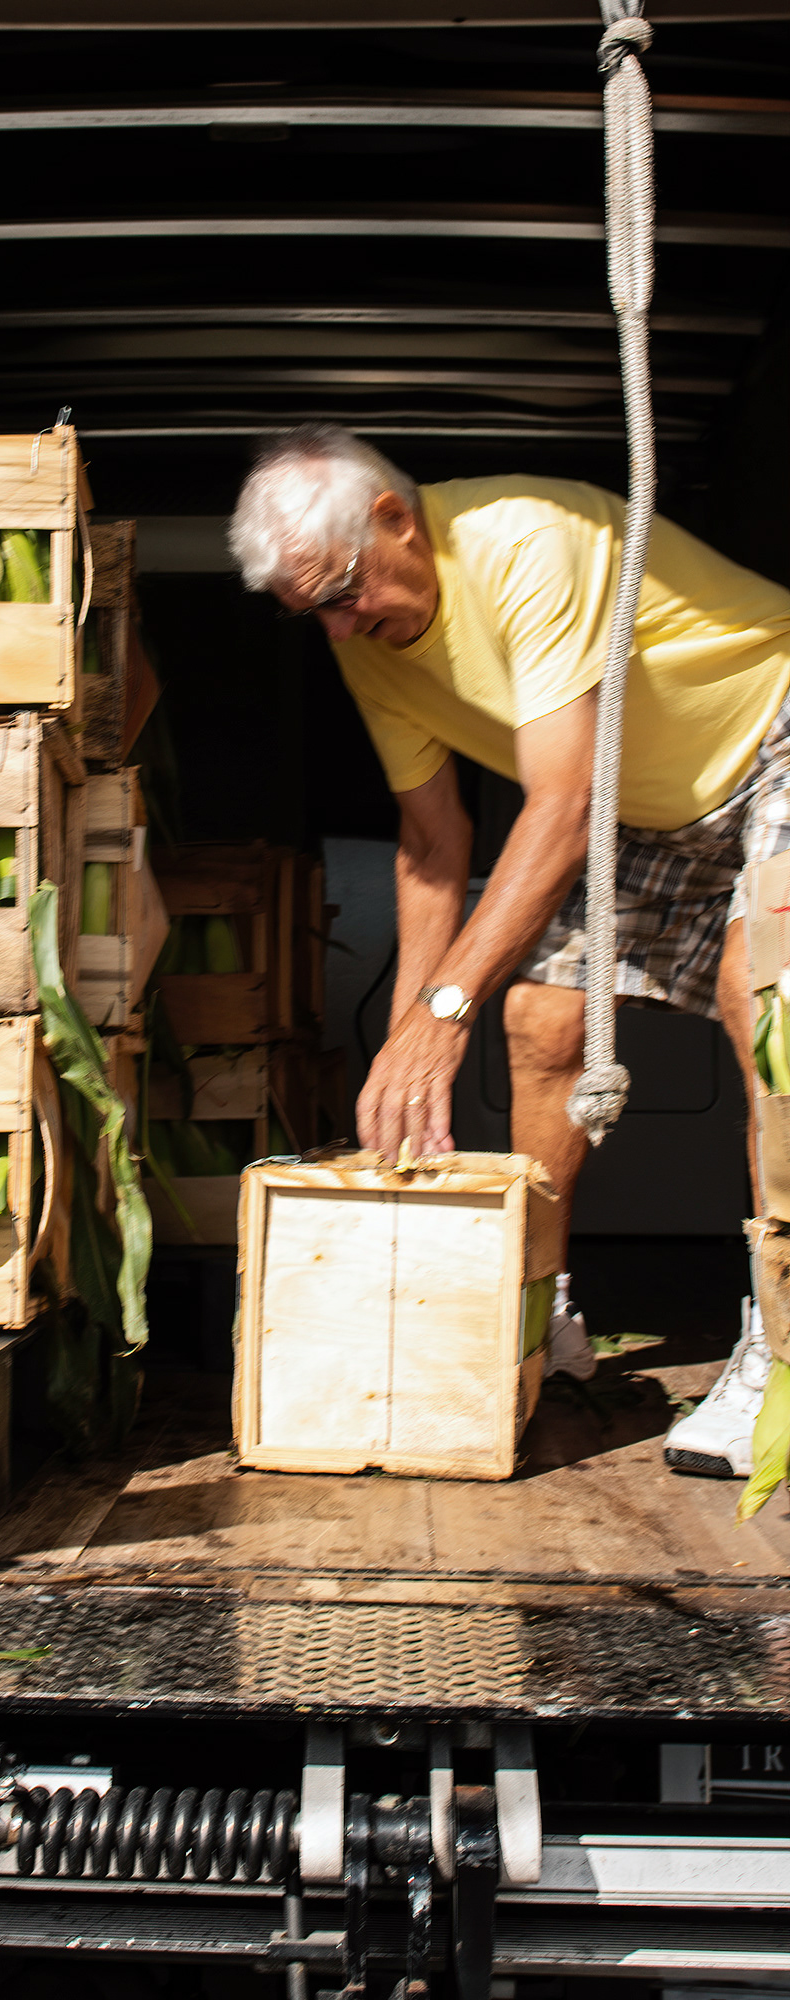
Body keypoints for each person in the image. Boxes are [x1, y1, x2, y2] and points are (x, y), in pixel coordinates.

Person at [229, 422, 790, 1476]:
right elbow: (434, 846)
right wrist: (406, 1048)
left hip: (773, 732)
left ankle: (780, 1337)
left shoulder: (525, 538)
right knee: (539, 1017)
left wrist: (444, 1015)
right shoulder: (365, 641)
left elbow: (563, 803)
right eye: (311, 612)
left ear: (397, 518)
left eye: (343, 591)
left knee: (750, 992)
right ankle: (536, 1307)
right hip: (651, 801)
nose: (340, 629)